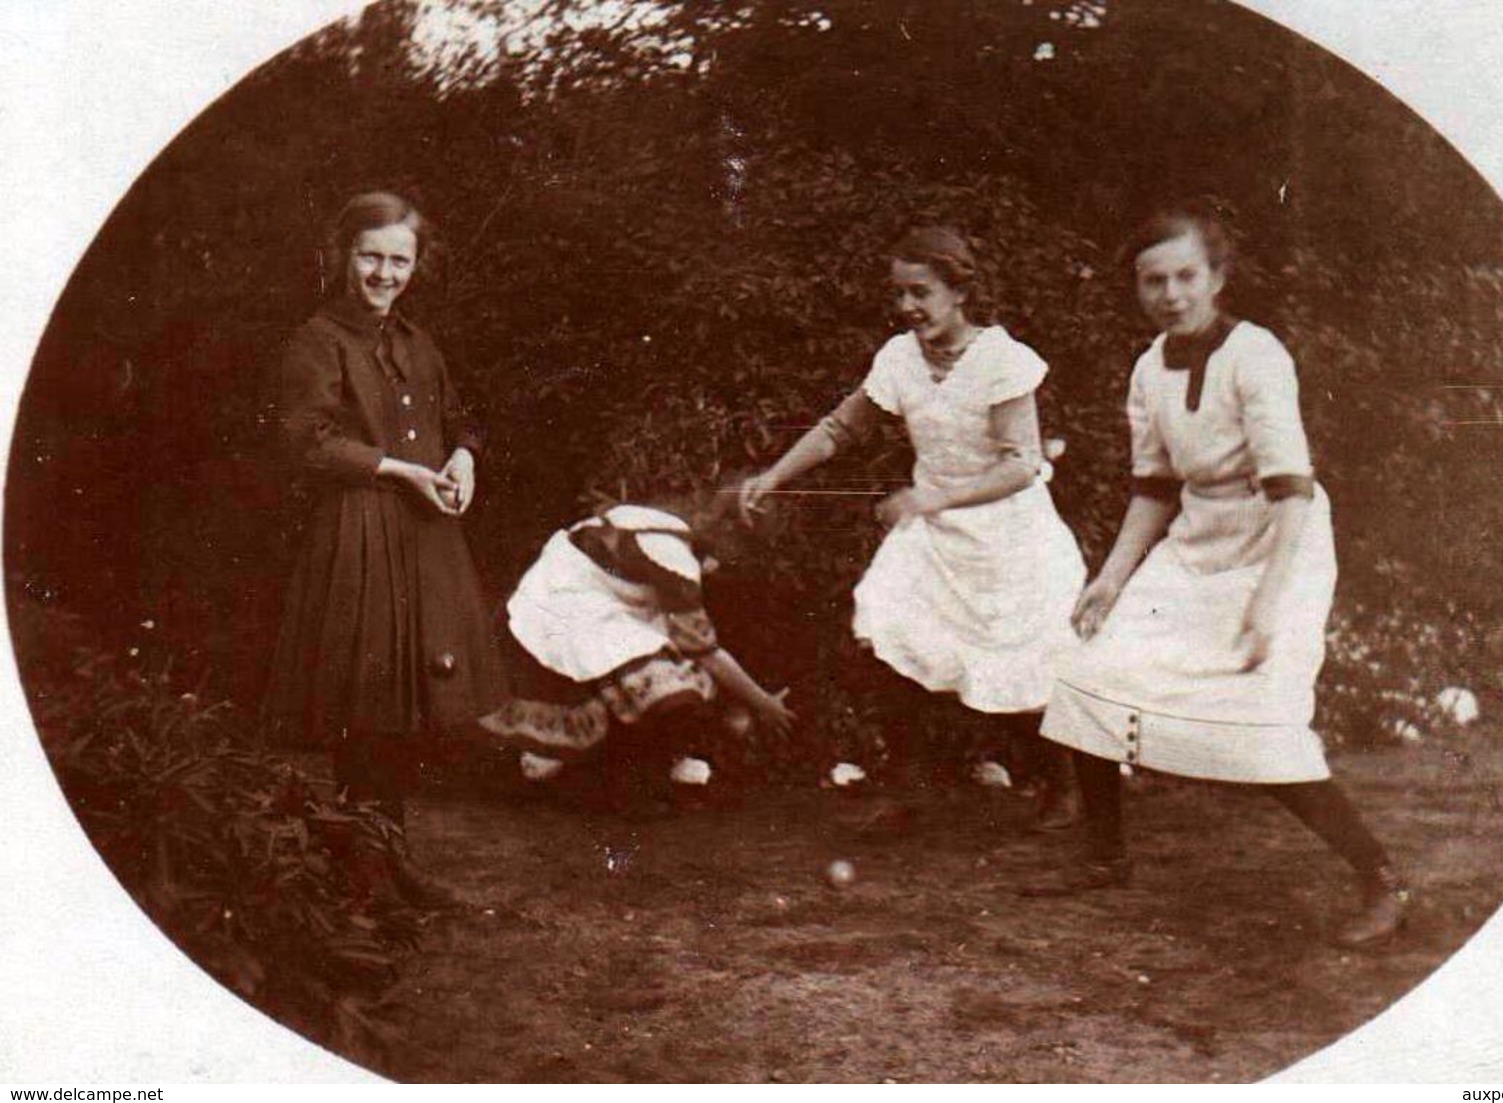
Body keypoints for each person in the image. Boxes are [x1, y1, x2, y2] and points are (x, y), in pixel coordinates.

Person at [1034, 203, 1410, 949]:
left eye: (1185, 276)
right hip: (1196, 537)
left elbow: (1289, 486)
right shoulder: (1147, 368)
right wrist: (1108, 581)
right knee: (1091, 664)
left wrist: (1269, 600)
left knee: (1257, 712)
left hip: (1279, 537)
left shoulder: (1256, 355)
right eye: (1152, 281)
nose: (1170, 294)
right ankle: (1104, 856)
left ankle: (1379, 875)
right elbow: (1154, 485)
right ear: (1136, 288)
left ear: (1216, 277)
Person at [739, 227, 1088, 829]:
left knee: (1026, 659)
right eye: (899, 294)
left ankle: (1065, 786)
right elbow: (840, 428)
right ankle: (905, 788)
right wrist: (773, 476)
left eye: (921, 292)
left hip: (1011, 537)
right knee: (890, 631)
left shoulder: (1002, 361)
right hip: (935, 533)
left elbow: (1022, 465)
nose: (907, 307)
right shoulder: (899, 357)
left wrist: (932, 499)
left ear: (959, 291)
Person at [263, 191, 506, 905]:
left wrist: (463, 457)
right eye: (370, 256)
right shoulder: (315, 341)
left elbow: (460, 417)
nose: (384, 272)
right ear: (341, 256)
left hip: (420, 536)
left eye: (398, 259)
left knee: (404, 701)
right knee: (365, 702)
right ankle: (362, 871)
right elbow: (305, 442)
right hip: (358, 533)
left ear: (415, 264)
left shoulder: (415, 343)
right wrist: (399, 470)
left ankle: (387, 861)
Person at [481, 500, 796, 814]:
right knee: (670, 684)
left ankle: (608, 772)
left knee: (660, 668)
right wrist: (764, 703)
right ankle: (621, 782)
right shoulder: (674, 558)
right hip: (565, 606)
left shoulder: (666, 525)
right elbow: (706, 652)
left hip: (568, 596)